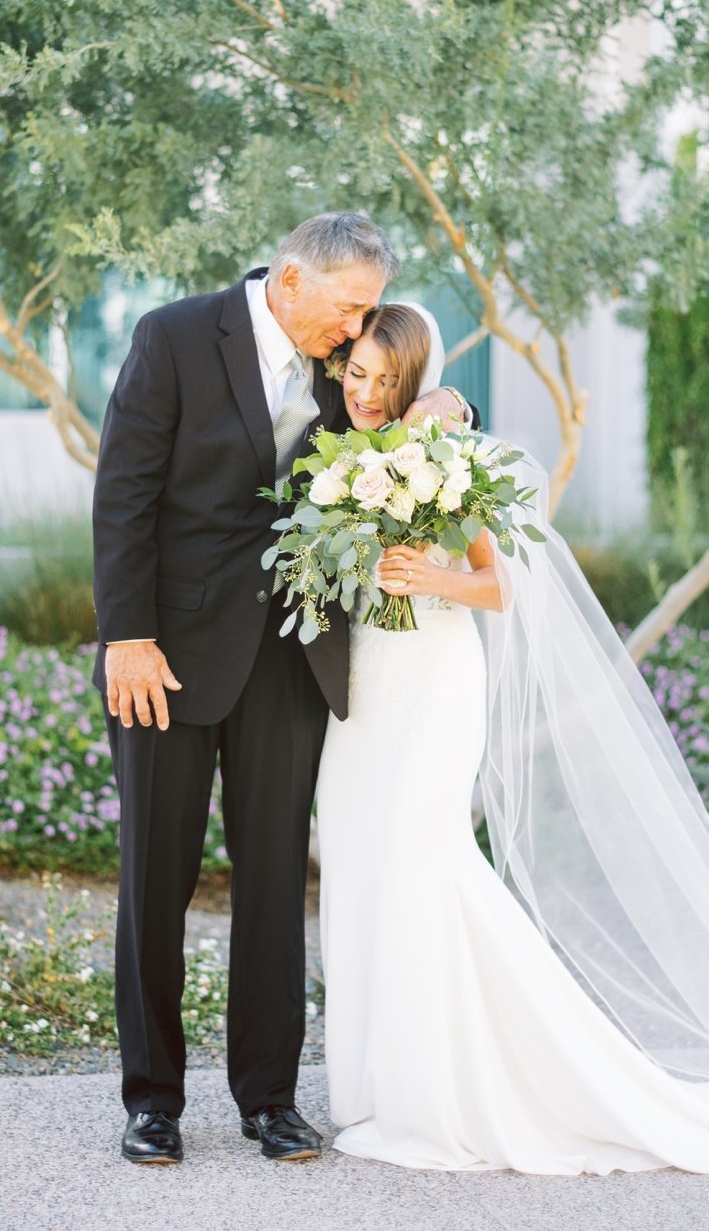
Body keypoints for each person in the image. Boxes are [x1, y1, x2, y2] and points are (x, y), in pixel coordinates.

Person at [316, 302, 709, 1174]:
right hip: (364, 693)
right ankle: (369, 1084)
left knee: (428, 866)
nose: (367, 393)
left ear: (417, 382)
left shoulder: (447, 454)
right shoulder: (339, 453)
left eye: (387, 380)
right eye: (357, 374)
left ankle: (455, 1089)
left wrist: (430, 572)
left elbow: (498, 589)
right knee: (357, 860)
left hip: (434, 685)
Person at [92, 212, 466, 1165]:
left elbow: (405, 412)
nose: (357, 332)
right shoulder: (173, 336)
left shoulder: (345, 361)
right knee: (155, 880)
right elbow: (124, 492)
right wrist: (126, 636)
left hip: (292, 656)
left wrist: (443, 411)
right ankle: (152, 1102)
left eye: (370, 313)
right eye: (350, 309)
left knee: (271, 883)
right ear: (293, 280)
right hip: (166, 656)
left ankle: (270, 1100)